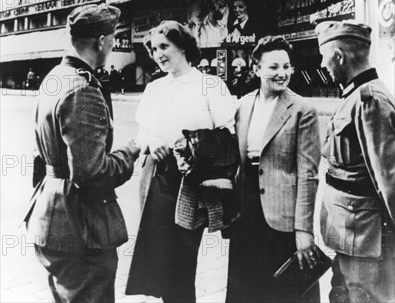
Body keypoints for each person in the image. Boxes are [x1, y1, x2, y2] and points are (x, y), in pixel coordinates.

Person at [23, 4, 140, 303]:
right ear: (101, 41)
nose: (113, 44)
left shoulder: (55, 77)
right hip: (81, 226)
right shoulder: (83, 89)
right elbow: (92, 172)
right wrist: (130, 151)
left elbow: (43, 156)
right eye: (113, 37)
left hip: (51, 216)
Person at [126, 20, 236, 303]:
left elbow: (227, 133)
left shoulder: (209, 84)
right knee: (161, 262)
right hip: (158, 179)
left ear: (183, 45)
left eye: (165, 46)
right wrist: (153, 144)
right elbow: (143, 134)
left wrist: (190, 145)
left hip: (192, 182)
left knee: (183, 262)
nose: (158, 53)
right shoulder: (154, 89)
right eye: (153, 48)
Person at [226, 35, 321, 303]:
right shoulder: (243, 105)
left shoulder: (303, 110)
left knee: (283, 292)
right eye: (273, 67)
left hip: (282, 218)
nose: (282, 74)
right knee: (245, 289)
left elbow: (308, 174)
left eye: (286, 66)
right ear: (256, 69)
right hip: (246, 214)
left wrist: (304, 230)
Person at [315, 20, 395, 303]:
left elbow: (388, 178)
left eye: (325, 58)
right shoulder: (353, 95)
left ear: (339, 56)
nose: (323, 66)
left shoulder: (369, 100)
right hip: (351, 232)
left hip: (365, 236)